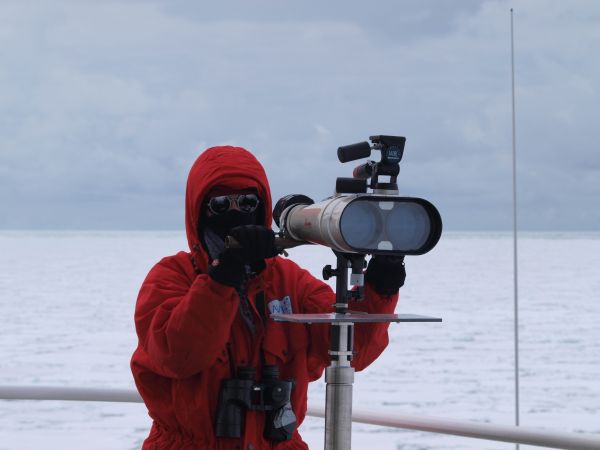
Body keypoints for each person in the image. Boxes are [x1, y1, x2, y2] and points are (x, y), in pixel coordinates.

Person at [131, 145, 406, 449]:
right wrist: (221, 277)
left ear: (261, 207)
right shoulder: (172, 276)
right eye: (220, 204)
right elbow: (179, 354)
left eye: (248, 201)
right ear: (198, 213)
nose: (236, 212)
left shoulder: (290, 280)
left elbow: (350, 348)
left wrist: (381, 287)